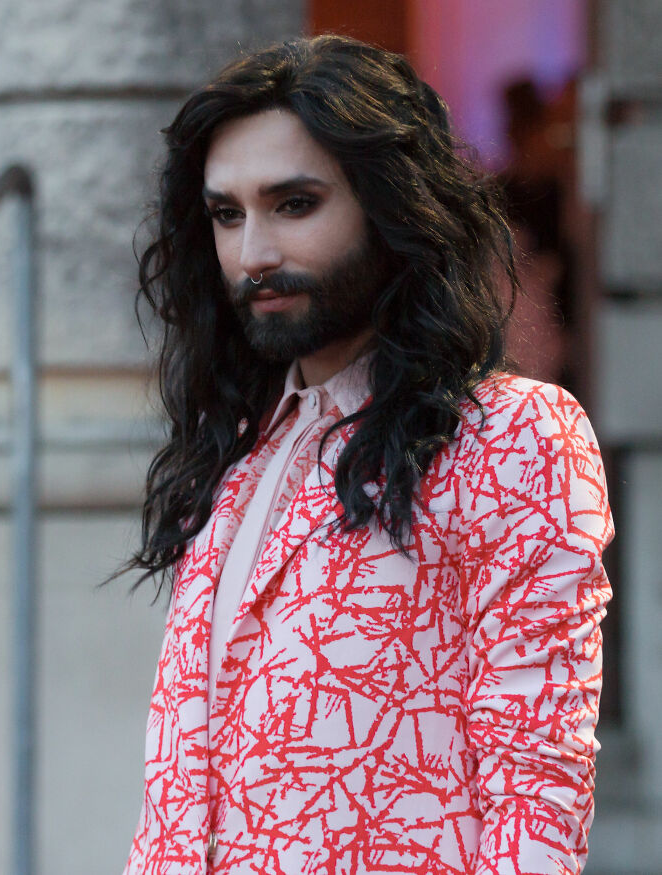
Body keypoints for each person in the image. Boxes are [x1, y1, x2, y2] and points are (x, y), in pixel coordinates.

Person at [120, 35, 613, 874]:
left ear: (390, 206)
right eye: (227, 214)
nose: (254, 254)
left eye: (295, 203)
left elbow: (538, 789)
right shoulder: (236, 451)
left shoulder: (512, 436)